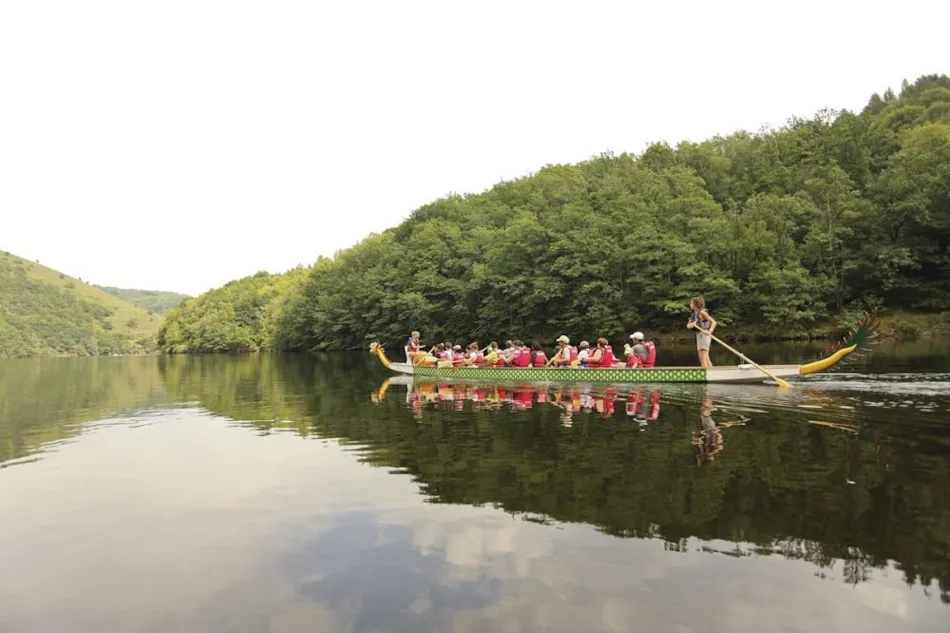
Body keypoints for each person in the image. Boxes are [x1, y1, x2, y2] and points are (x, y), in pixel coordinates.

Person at [687, 296, 717, 368]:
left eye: (691, 303)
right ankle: (710, 373)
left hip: (705, 334)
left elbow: (714, 322)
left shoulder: (702, 313)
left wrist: (710, 331)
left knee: (704, 358)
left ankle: (708, 374)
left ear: (695, 304)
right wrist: (692, 324)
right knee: (702, 357)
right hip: (699, 335)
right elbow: (688, 326)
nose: (690, 305)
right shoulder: (693, 315)